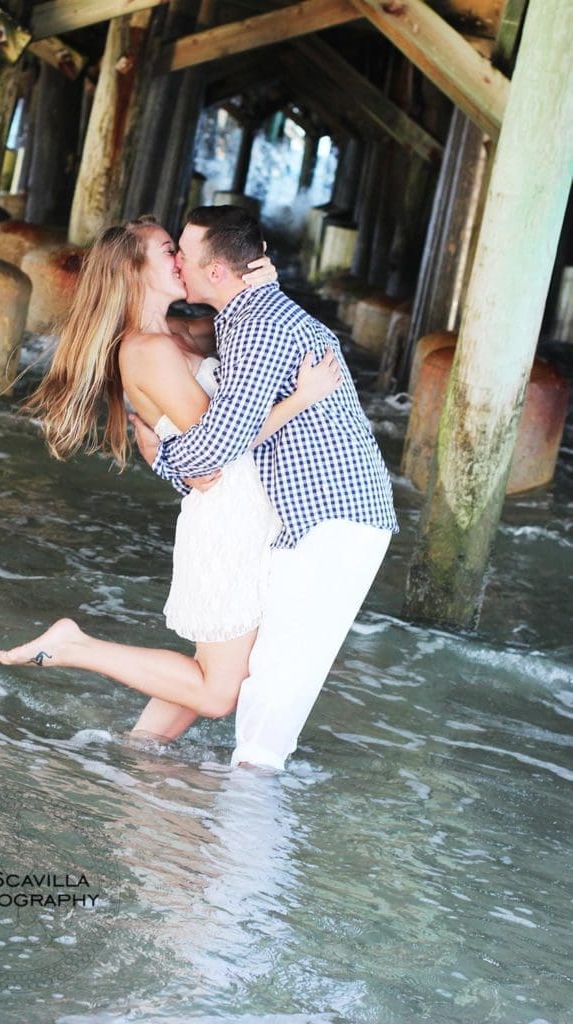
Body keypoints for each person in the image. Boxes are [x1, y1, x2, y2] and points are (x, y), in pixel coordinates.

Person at [0, 216, 343, 741]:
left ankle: (142, 755)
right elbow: (219, 445)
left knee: (222, 673)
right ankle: (75, 647)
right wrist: (302, 400)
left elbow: (251, 334)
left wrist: (259, 283)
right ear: (135, 270)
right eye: (167, 251)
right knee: (217, 691)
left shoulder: (178, 332)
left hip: (248, 511)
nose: (181, 261)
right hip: (227, 519)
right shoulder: (144, 349)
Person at [130, 205, 399, 771]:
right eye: (170, 250)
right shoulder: (240, 317)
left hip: (331, 519)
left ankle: (244, 829)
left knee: (273, 696)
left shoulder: (259, 327)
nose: (177, 259)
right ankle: (158, 777)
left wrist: (163, 455)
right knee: (251, 682)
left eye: (183, 251)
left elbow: (214, 449)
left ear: (220, 274)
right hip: (305, 518)